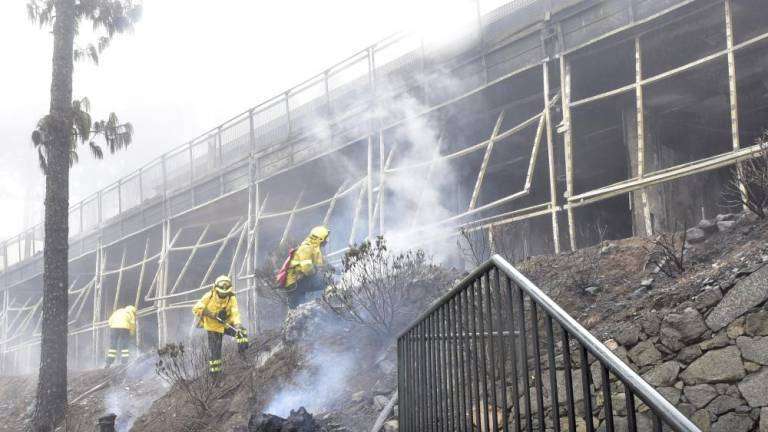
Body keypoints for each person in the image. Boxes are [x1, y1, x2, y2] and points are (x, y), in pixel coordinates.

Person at [192, 275, 249, 377]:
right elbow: (196, 308)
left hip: (225, 324)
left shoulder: (231, 297)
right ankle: (215, 376)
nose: (224, 295)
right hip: (213, 327)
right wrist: (212, 315)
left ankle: (242, 356)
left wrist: (237, 325)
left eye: (225, 293)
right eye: (222, 293)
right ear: (216, 289)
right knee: (215, 355)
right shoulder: (208, 296)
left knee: (242, 332)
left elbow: (235, 312)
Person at [284, 226, 330, 309]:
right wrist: (317, 271)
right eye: (325, 238)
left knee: (298, 309)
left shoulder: (314, 249)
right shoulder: (306, 248)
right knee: (328, 282)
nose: (326, 241)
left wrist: (338, 270)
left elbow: (324, 265)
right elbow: (307, 269)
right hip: (296, 285)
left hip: (298, 284)